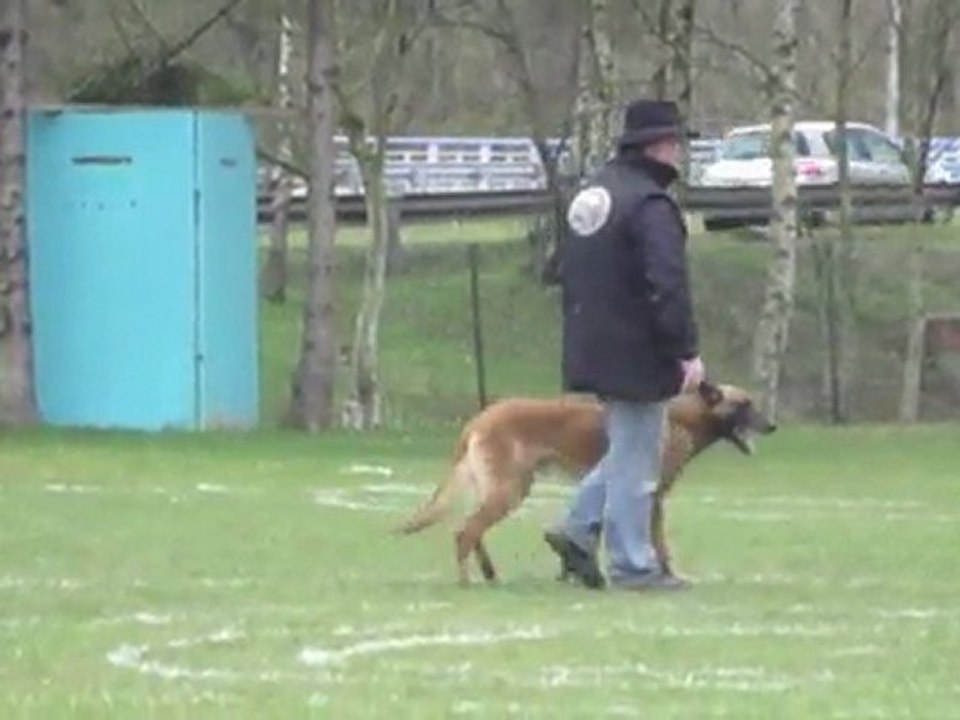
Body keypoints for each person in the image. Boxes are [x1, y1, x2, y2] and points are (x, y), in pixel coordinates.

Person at [545, 99, 705, 591]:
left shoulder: (592, 196)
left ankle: (576, 528)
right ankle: (634, 566)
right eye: (677, 143)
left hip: (590, 338)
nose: (680, 153)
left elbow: (556, 269)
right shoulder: (650, 205)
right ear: (658, 146)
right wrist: (684, 350)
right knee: (639, 464)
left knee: (630, 449)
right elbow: (667, 282)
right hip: (637, 346)